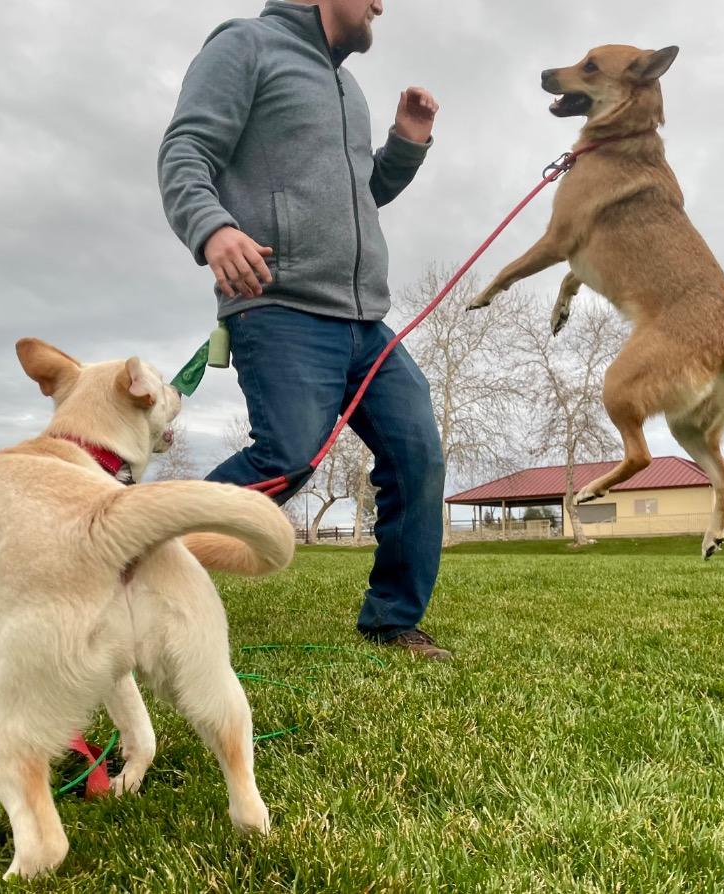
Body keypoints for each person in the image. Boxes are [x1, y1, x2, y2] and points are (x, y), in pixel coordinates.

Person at [158, 0, 450, 659]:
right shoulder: (246, 46)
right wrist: (213, 229)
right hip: (280, 304)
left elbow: (361, 194)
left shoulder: (348, 87)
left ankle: (390, 621)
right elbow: (185, 150)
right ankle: (128, 549)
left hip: (365, 320)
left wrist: (405, 143)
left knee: (417, 454)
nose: (382, 4)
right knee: (287, 457)